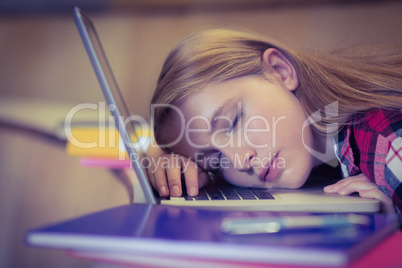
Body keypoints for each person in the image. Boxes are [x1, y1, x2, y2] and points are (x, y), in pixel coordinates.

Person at [146, 28, 402, 213]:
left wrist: (391, 239)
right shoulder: (324, 146)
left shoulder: (388, 144)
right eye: (216, 160)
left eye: (234, 121)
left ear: (280, 71)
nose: (238, 160)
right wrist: (162, 157)